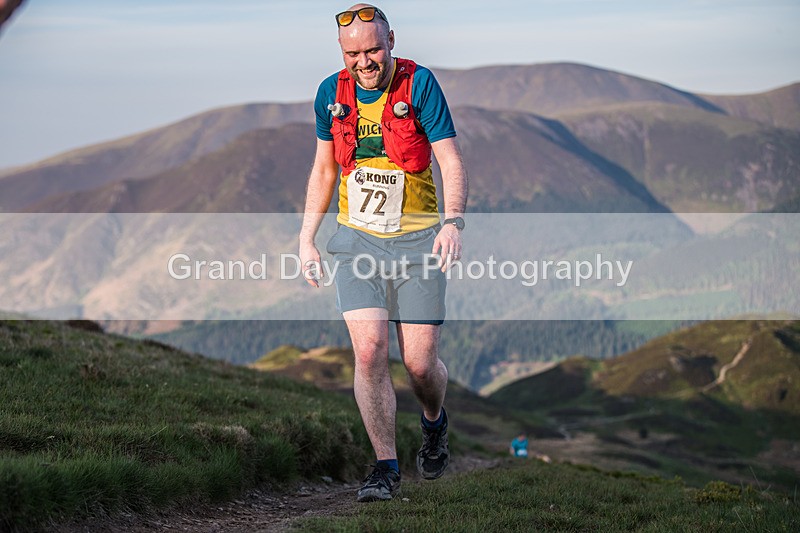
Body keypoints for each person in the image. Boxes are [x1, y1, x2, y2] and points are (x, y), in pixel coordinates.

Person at [298, 4, 468, 502]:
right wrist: (307, 237)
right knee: (369, 350)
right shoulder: (331, 94)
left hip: (418, 242)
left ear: (391, 39)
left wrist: (453, 222)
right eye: (354, 53)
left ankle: (434, 422)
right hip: (358, 242)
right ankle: (385, 467)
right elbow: (325, 170)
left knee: (419, 365)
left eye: (373, 49)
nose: (365, 61)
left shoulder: (418, 85)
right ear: (341, 52)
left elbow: (450, 160)